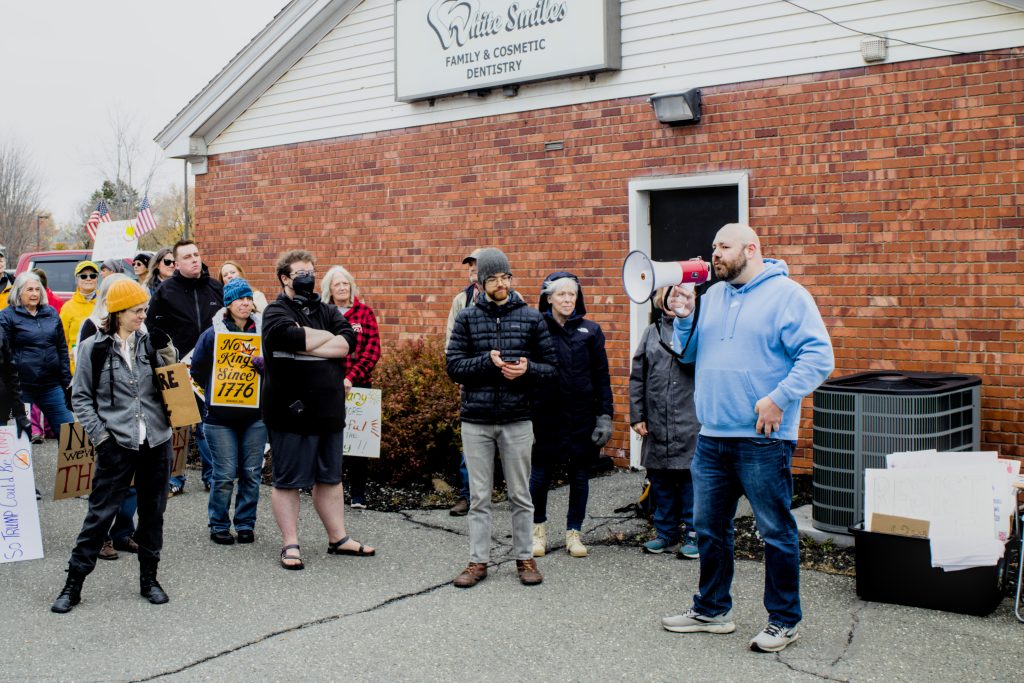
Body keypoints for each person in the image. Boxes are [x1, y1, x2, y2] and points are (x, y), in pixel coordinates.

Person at [660, 223, 834, 654]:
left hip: (762, 439)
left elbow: (818, 357)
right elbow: (689, 354)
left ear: (751, 249)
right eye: (713, 246)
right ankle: (712, 610)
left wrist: (779, 398)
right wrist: (685, 318)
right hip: (712, 436)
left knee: (775, 531)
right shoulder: (713, 296)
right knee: (708, 529)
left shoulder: (788, 295)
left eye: (724, 246)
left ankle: (784, 620)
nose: (714, 254)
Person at [50, 279, 178, 614]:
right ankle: (73, 584)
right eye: (137, 310)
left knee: (153, 515)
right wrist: (102, 438)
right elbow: (80, 398)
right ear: (118, 312)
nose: (143, 315)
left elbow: (174, 380)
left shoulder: (150, 343)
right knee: (99, 515)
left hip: (156, 440)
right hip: (116, 443)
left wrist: (165, 349)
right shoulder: (93, 348)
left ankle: (149, 580)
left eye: (144, 309)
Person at [446, 248, 557, 588]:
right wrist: (486, 361)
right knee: (479, 497)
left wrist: (527, 369)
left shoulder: (531, 318)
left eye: (505, 277)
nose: (500, 284)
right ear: (480, 284)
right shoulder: (467, 318)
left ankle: (524, 558)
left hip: (517, 418)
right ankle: (477, 561)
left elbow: (551, 368)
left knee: (520, 495)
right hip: (476, 420)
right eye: (492, 279)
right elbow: (453, 366)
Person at [262, 249, 373, 570]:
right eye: (301, 273)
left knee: (330, 477)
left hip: (328, 411)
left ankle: (338, 538)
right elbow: (287, 336)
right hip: (289, 412)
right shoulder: (275, 311)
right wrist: (326, 340)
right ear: (285, 278)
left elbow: (348, 341)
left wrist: (310, 342)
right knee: (287, 481)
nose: (308, 278)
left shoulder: (327, 310)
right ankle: (290, 543)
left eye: (311, 272)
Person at [528, 270, 612, 559]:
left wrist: (604, 416)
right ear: (549, 298)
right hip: (546, 417)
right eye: (561, 294)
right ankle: (537, 532)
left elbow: (602, 377)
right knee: (540, 476)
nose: (567, 299)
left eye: (572, 294)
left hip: (581, 418)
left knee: (579, 476)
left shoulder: (591, 331)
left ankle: (574, 533)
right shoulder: (536, 329)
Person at [190, 278, 266, 545]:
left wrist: (265, 369)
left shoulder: (264, 333)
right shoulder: (212, 335)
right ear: (228, 304)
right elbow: (197, 370)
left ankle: (245, 523)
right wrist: (216, 389)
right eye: (239, 299)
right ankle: (219, 524)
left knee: (251, 473)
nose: (245, 303)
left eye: (248, 298)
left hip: (255, 417)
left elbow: (279, 368)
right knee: (223, 475)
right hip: (220, 418)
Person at [629, 288, 700, 560]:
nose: (675, 300)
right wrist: (637, 415)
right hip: (657, 420)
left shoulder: (698, 331)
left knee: (691, 479)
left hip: (690, 419)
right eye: (670, 296)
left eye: (682, 295)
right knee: (661, 479)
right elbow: (638, 376)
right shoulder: (651, 332)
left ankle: (694, 533)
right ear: (661, 300)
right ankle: (665, 532)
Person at [75, 274, 142, 560]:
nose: (141, 313)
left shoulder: (142, 331)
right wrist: (100, 435)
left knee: (132, 487)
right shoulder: (92, 328)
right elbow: (83, 384)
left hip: (137, 426)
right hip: (108, 425)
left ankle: (123, 532)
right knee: (106, 490)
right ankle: (99, 538)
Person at [149, 239, 223, 494]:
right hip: (178, 367)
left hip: (210, 368)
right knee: (179, 427)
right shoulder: (165, 291)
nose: (194, 260)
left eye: (196, 254)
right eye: (187, 257)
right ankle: (175, 479)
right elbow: (152, 327)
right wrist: (167, 354)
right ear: (177, 263)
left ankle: (212, 476)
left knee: (206, 425)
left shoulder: (215, 288)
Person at [321, 265, 380, 509]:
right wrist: (332, 378)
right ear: (329, 289)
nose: (342, 287)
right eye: (337, 284)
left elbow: (372, 351)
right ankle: (329, 488)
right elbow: (317, 347)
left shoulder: (365, 313)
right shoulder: (322, 313)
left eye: (345, 283)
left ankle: (357, 494)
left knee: (359, 441)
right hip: (327, 385)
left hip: (358, 385)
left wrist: (351, 377)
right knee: (328, 438)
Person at [0, 272, 74, 442]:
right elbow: (4, 356)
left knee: (70, 434)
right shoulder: (6, 316)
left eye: (37, 289)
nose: (34, 294)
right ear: (18, 292)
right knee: (20, 439)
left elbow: (62, 349)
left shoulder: (51, 313)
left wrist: (66, 383)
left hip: (51, 385)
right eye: (29, 290)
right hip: (21, 388)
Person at [444, 248, 482, 516]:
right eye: (470, 265)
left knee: (509, 441)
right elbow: (451, 341)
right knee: (470, 438)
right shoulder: (462, 300)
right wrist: (459, 373)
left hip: (504, 380)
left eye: (477, 265)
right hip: (471, 380)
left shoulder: (512, 298)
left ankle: (515, 495)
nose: (472, 269)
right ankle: (467, 496)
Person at [60, 261, 100, 374]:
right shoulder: (68, 307)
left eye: (92, 276)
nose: (88, 279)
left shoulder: (104, 304)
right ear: (77, 280)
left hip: (101, 363)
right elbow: (62, 340)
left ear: (97, 279)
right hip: (76, 367)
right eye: (83, 276)